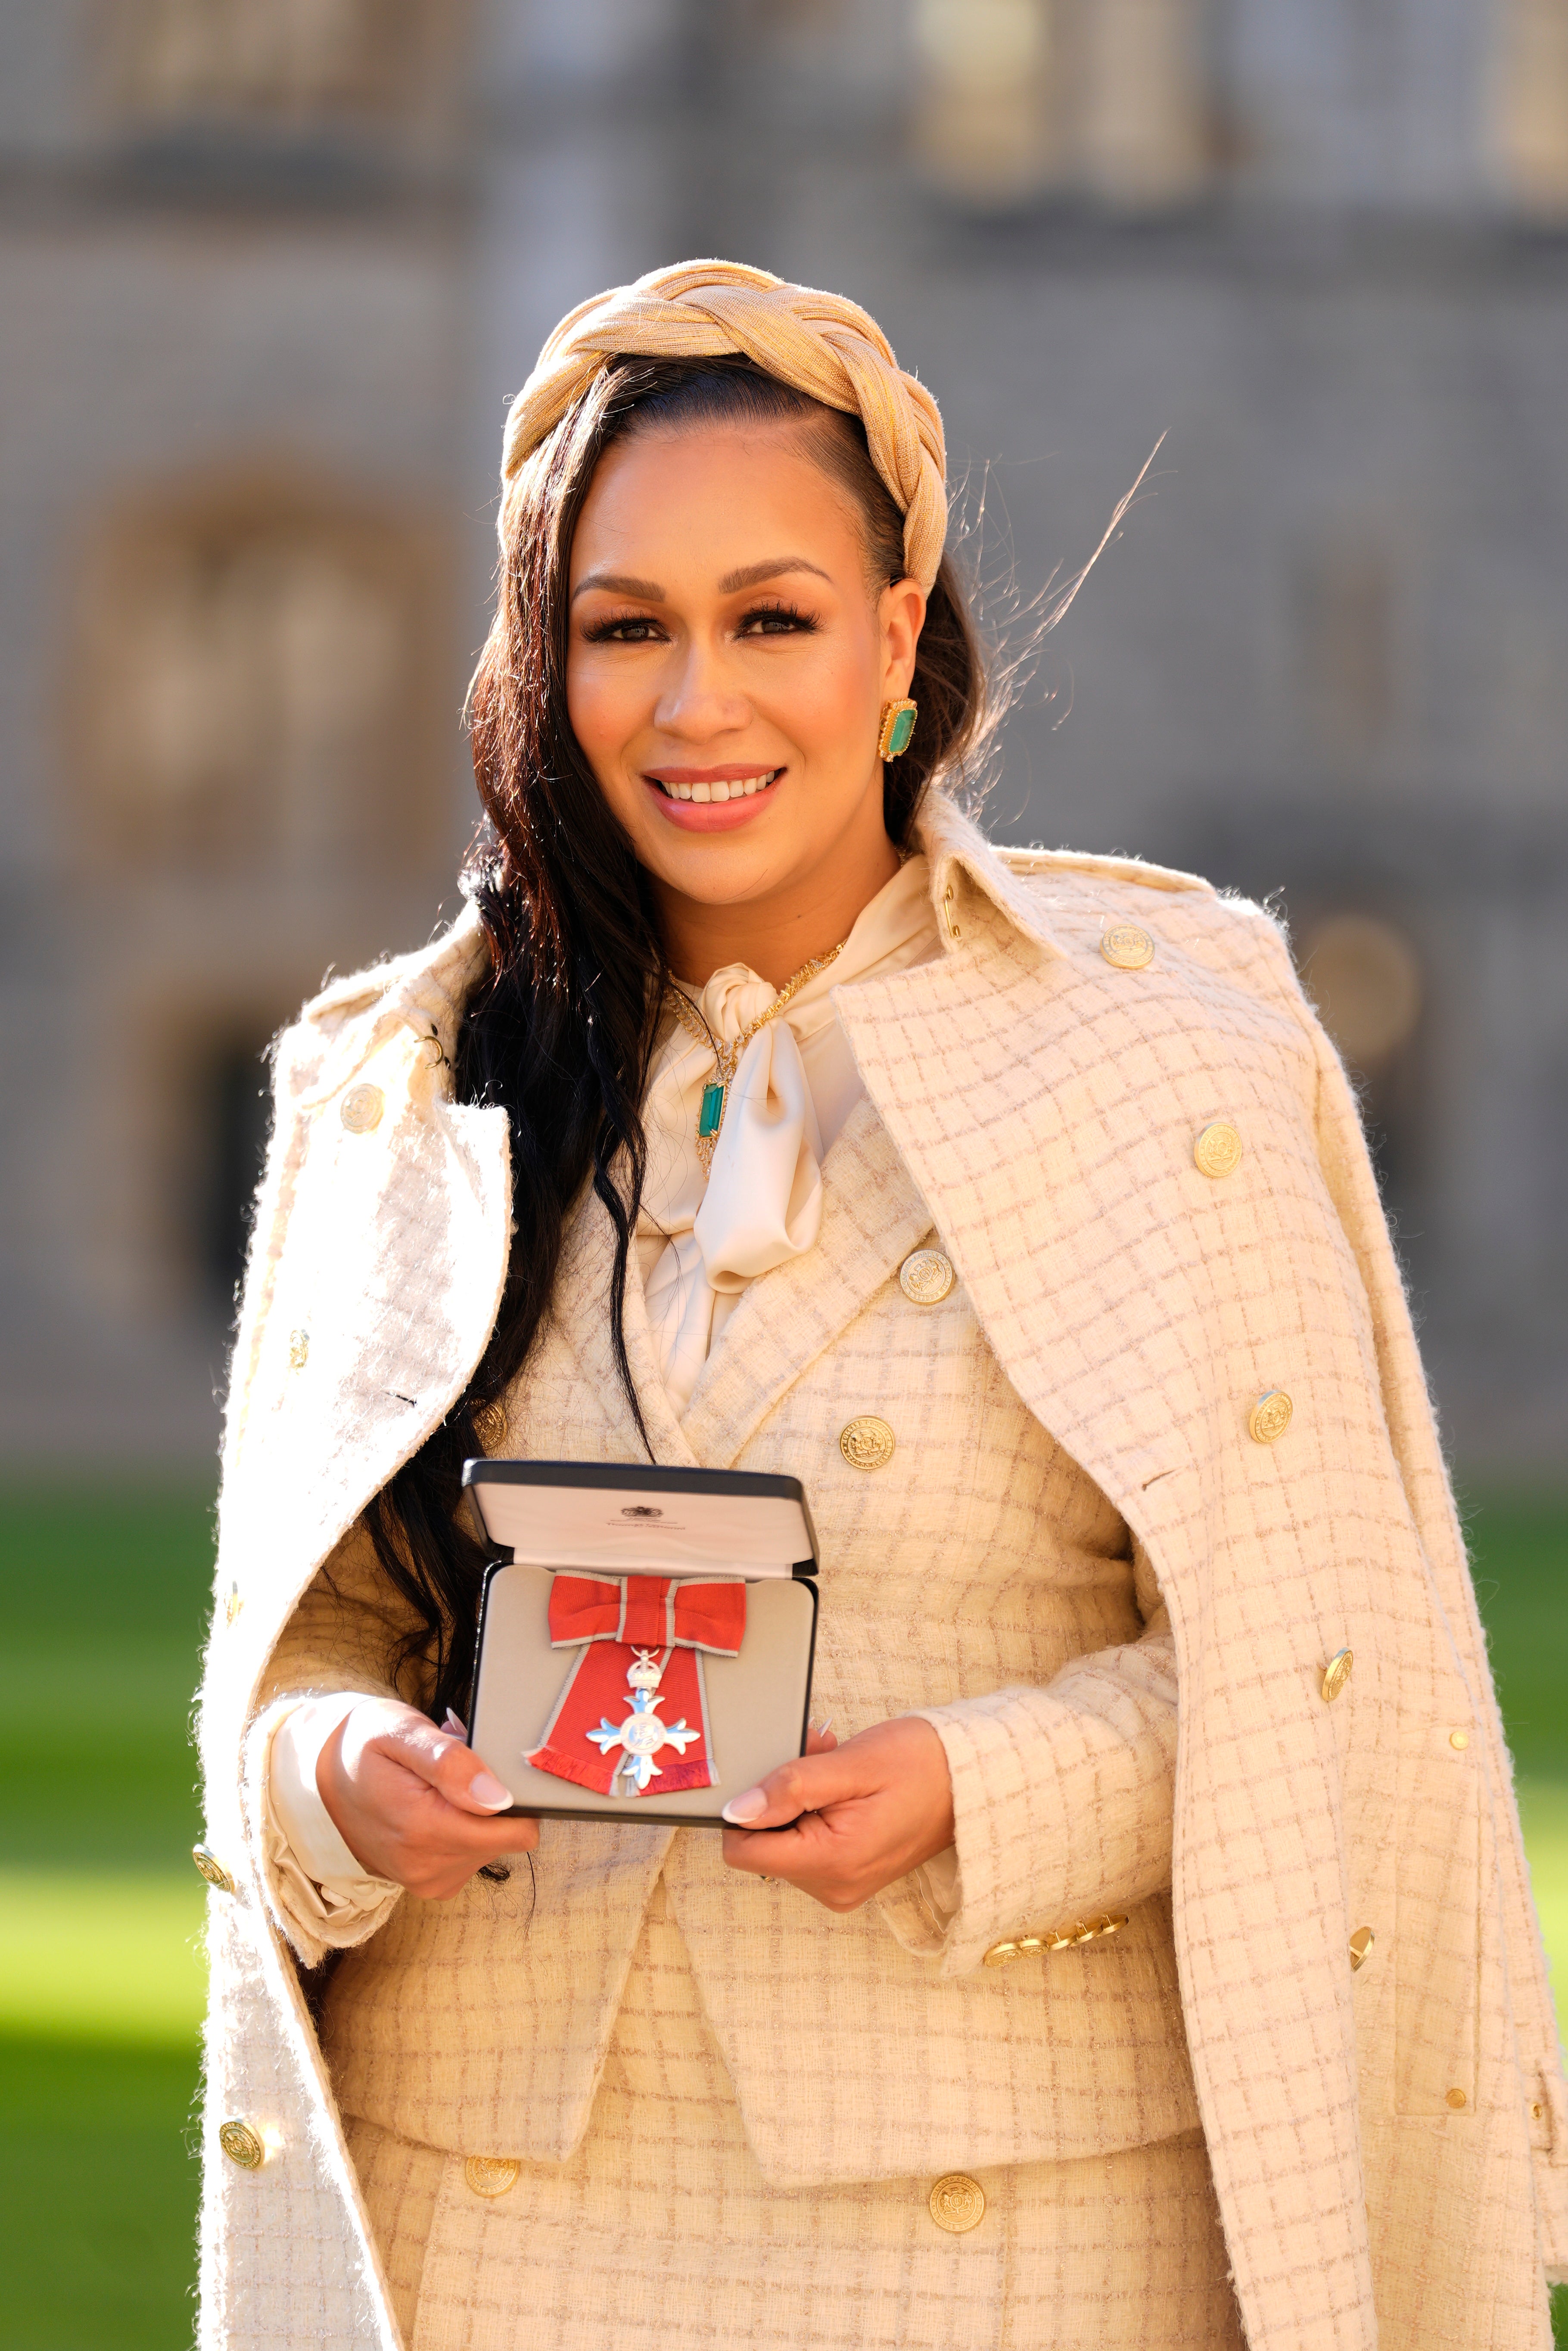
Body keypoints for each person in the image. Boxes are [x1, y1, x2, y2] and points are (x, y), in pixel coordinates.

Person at [194, 261, 1565, 2351]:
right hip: (482, 2229)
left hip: (1015, 2235)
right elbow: (293, 1665)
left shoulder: (1174, 1049)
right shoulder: (397, 1080)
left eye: (771, 617)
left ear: (900, 637)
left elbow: (1319, 1670)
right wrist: (337, 1775)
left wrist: (978, 1785)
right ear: (538, 663)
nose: (694, 704)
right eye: (621, 627)